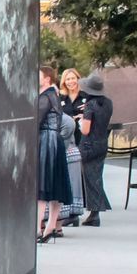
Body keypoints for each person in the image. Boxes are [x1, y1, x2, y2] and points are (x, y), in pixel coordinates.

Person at [37, 66, 74, 243]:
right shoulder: (53, 94)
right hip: (54, 140)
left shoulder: (47, 96)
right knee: (54, 185)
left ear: (47, 79)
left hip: (47, 140)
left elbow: (36, 119)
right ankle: (50, 226)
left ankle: (38, 227)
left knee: (43, 186)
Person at [77, 73, 114, 226]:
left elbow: (85, 130)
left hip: (88, 145)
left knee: (89, 178)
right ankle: (96, 211)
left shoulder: (90, 106)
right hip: (102, 142)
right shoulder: (108, 103)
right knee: (96, 176)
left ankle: (95, 212)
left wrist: (80, 119)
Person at [57, 69, 87, 229]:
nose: (70, 81)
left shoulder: (85, 97)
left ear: (78, 79)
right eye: (67, 79)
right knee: (71, 175)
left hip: (82, 137)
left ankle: (78, 210)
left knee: (79, 175)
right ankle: (70, 213)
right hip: (68, 139)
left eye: (73, 78)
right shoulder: (60, 98)